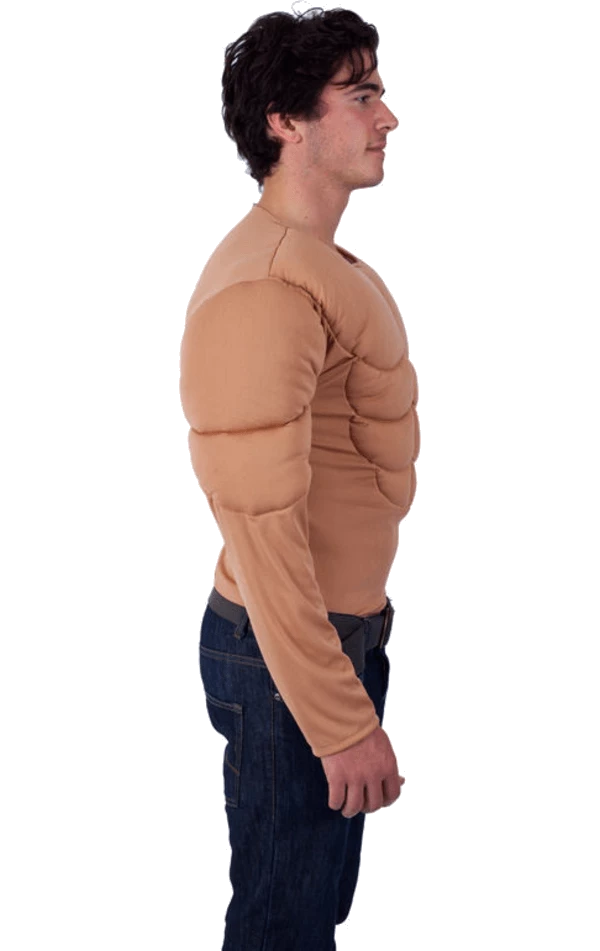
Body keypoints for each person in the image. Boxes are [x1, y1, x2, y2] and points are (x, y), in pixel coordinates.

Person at [180, 9, 417, 950]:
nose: (386, 115)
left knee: (305, 922)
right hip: (289, 658)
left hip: (325, 641)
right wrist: (336, 717)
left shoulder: (314, 264)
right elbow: (261, 523)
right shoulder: (268, 285)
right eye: (360, 94)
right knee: (282, 932)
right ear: (285, 120)